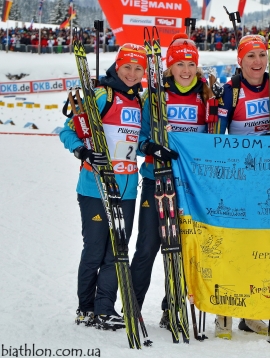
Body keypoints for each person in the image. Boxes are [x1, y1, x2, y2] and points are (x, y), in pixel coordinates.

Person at [60, 43, 175, 331]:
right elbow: (68, 129)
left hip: (126, 189)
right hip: (94, 187)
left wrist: (151, 148)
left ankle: (105, 309)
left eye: (138, 69)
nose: (133, 73)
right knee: (95, 249)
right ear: (117, 66)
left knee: (117, 250)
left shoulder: (138, 102)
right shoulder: (101, 95)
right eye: (128, 67)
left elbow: (132, 144)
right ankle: (85, 307)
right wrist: (82, 151)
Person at [130, 33, 215, 330]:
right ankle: (133, 306)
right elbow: (139, 138)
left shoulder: (206, 95)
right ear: (169, 66)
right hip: (157, 179)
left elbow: (215, 140)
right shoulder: (155, 96)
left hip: (189, 186)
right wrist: (152, 147)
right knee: (148, 247)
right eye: (180, 63)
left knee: (179, 249)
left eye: (191, 63)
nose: (186, 70)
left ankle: (172, 307)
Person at [215, 34, 270, 339]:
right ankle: (225, 314)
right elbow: (218, 139)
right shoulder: (230, 92)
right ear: (240, 60)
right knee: (234, 247)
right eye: (250, 56)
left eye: (262, 55)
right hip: (240, 181)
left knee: (264, 249)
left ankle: (253, 312)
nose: (257, 62)